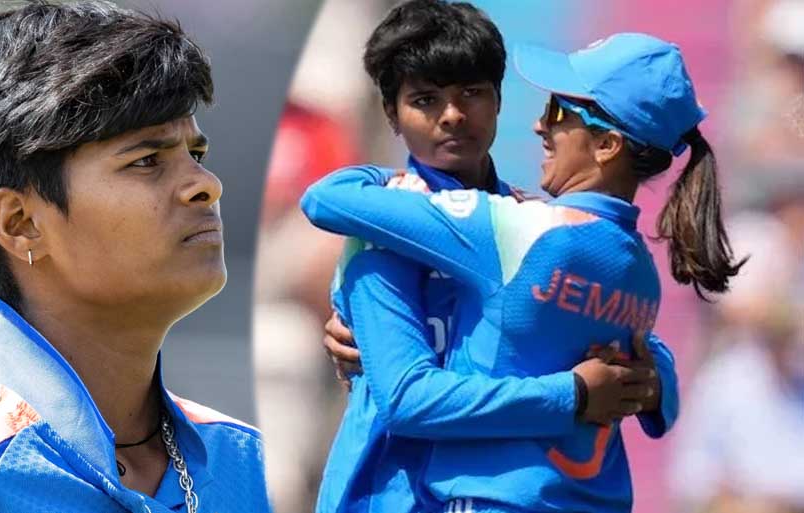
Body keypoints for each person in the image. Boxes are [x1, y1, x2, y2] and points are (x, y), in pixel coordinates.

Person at [0, 2, 268, 512]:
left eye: (195, 155)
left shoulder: (250, 465)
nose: (205, 185)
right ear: (20, 223)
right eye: (146, 160)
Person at [303, 31, 744, 513]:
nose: (539, 125)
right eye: (426, 99)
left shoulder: (514, 228)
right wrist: (656, 387)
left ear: (607, 144)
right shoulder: (638, 268)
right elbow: (652, 373)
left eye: (558, 112)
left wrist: (391, 181)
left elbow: (325, 198)